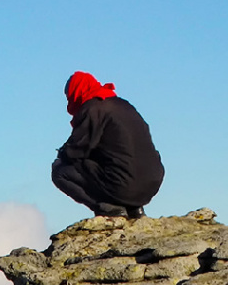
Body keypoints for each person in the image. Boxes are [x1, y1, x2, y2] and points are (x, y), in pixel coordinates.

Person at [51, 71, 165, 218]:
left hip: (124, 186)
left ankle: (108, 209)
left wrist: (62, 153)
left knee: (60, 171)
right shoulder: (124, 105)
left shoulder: (93, 108)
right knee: (115, 161)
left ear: (76, 92)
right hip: (151, 183)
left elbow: (76, 150)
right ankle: (134, 209)